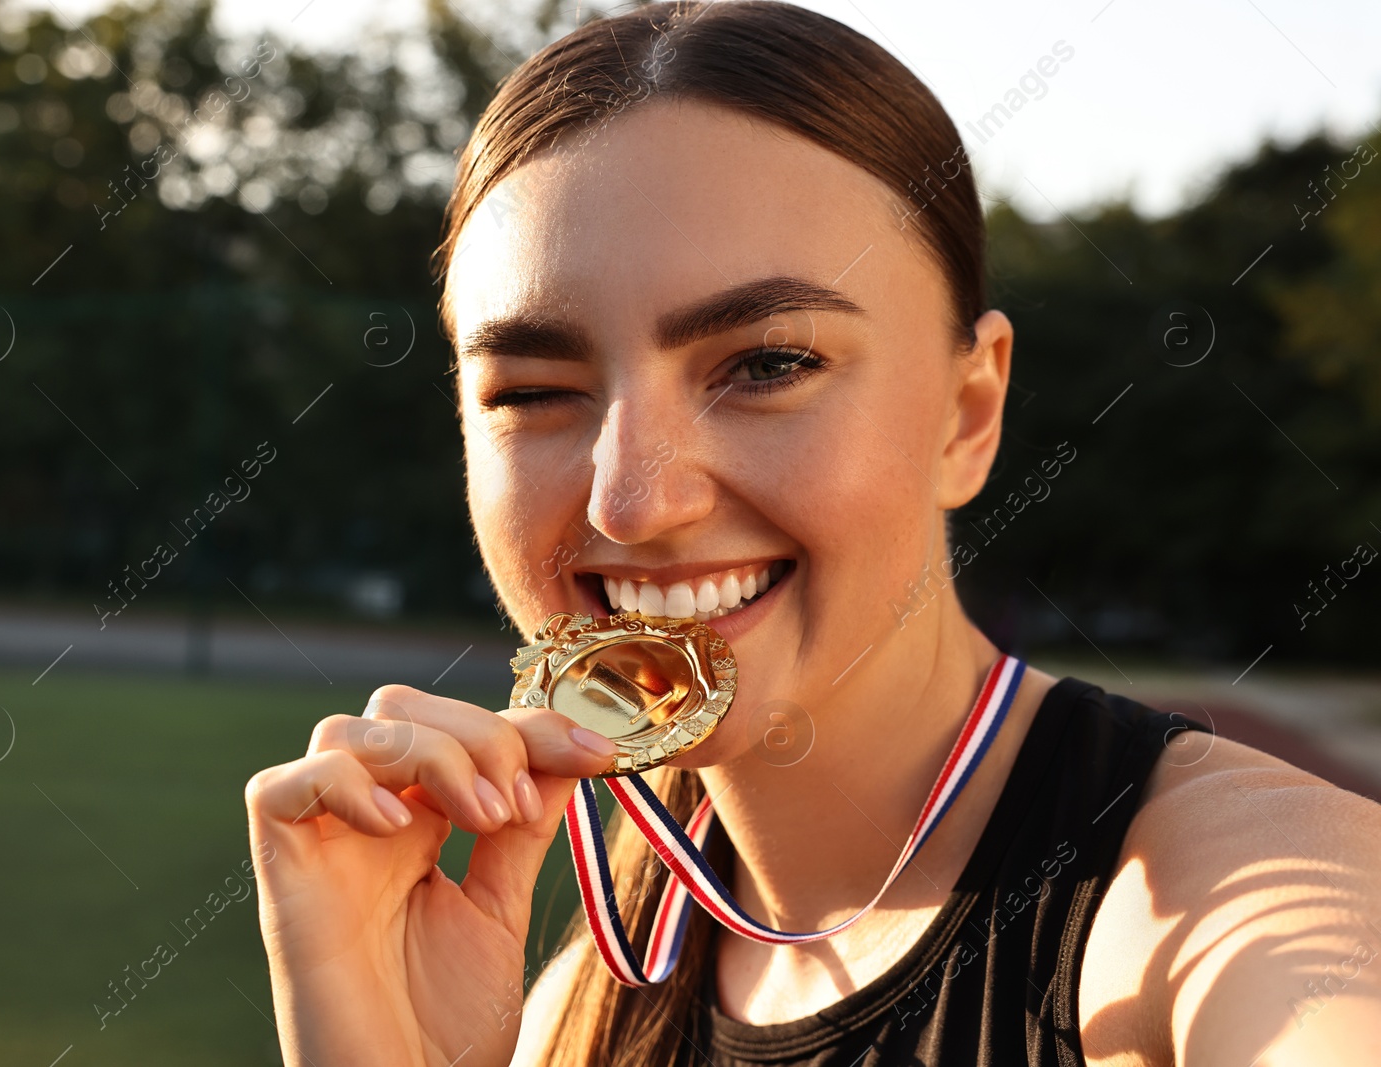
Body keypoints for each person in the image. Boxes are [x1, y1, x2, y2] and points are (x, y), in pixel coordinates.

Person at [243, 3, 1381, 1064]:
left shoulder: (1232, 899)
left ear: (967, 410)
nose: (631, 504)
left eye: (769, 364)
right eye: (533, 389)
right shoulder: (576, 998)